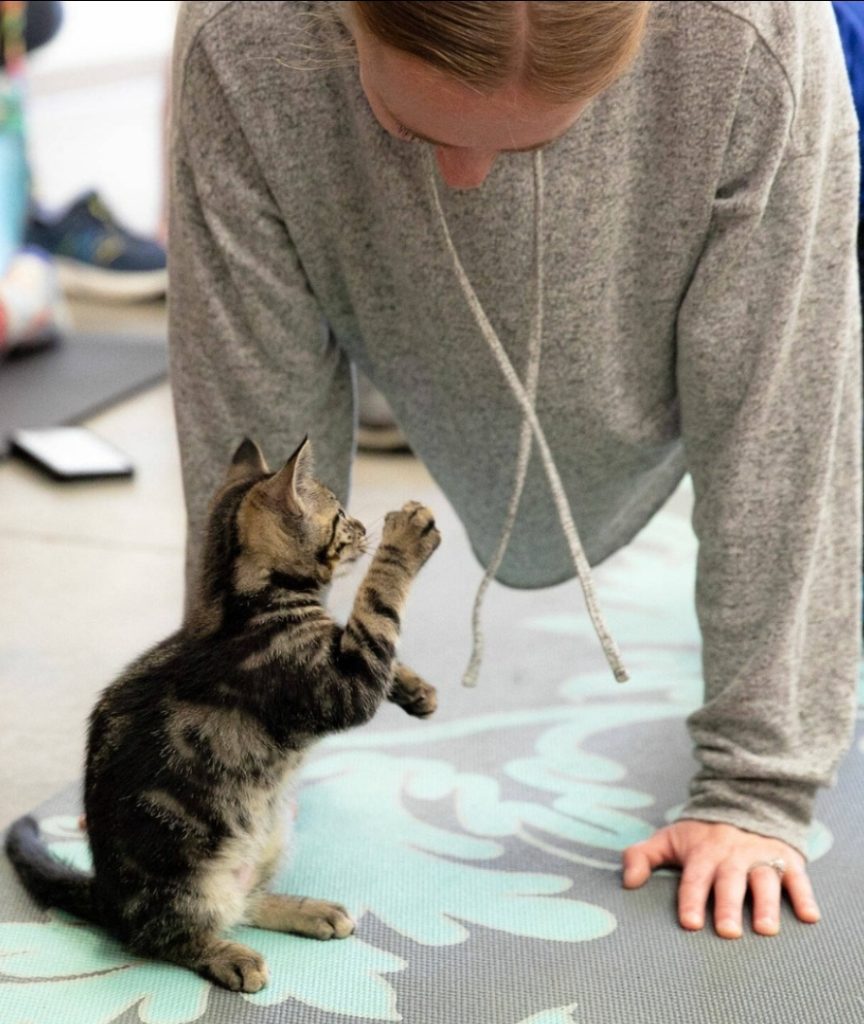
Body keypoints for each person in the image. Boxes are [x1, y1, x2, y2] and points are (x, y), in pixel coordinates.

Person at [168, 1, 860, 941]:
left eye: (548, 133)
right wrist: (217, 749)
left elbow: (780, 420)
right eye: (412, 126)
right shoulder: (244, 34)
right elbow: (250, 437)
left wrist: (757, 783)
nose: (467, 178)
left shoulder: (755, 35)